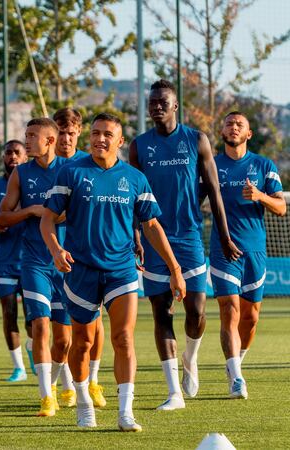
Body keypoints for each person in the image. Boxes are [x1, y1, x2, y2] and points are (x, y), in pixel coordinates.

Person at [40, 113, 186, 431]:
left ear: (120, 141)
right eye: (94, 133)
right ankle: (83, 402)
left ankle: (125, 412)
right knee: (81, 343)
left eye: (107, 134)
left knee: (123, 338)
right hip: (80, 271)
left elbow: (151, 225)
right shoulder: (70, 172)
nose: (99, 138)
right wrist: (56, 251)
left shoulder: (135, 179)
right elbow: (47, 220)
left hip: (121, 270)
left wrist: (175, 268)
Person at [129, 79, 241, 410]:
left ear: (175, 106)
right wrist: (135, 236)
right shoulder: (139, 146)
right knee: (161, 312)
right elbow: (133, 196)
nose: (157, 106)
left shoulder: (196, 140)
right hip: (152, 239)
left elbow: (215, 190)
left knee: (196, 311)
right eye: (152, 102)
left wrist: (223, 235)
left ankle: (190, 359)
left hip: (189, 236)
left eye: (163, 101)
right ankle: (174, 392)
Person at [208, 111, 286, 399]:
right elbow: (194, 199)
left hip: (255, 251)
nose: (234, 126)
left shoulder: (263, 165)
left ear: (249, 134)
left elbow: (281, 208)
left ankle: (235, 363)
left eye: (240, 124)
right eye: (229, 123)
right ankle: (237, 378)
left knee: (250, 318)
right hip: (223, 249)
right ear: (223, 130)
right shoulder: (212, 165)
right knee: (230, 310)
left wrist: (260, 196)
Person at [0, 117, 68, 417]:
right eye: (25, 135)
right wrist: (30, 210)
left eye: (32, 136)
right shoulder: (20, 174)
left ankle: (54, 385)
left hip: (66, 263)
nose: (26, 141)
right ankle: (45, 397)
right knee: (40, 326)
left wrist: (52, 215)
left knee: (64, 340)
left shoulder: (70, 170)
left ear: (50, 141)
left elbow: (75, 212)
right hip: (34, 263)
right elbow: (2, 218)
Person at [53, 107, 106, 408]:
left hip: (84, 256)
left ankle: (93, 381)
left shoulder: (89, 165)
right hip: (50, 255)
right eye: (61, 132)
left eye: (72, 132)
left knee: (94, 324)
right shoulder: (46, 165)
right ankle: (66, 384)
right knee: (61, 330)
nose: (67, 138)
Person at [0, 140, 34, 382]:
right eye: (8, 152)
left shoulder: (35, 182)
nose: (12, 156)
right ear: (3, 157)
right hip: (5, 261)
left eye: (17, 152)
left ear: (26, 157)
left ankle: (35, 351)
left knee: (34, 316)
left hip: (34, 260)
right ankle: (18, 368)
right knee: (8, 313)